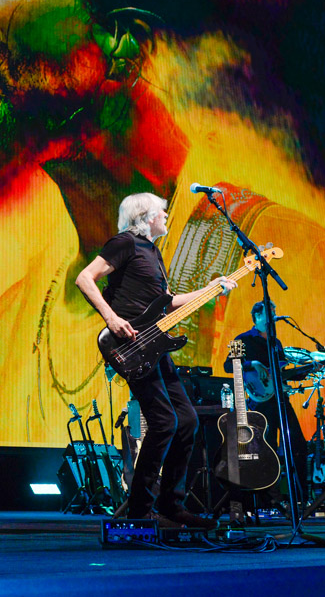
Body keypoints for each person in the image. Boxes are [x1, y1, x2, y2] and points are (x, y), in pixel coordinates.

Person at [76, 192, 235, 529]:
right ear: (145, 215)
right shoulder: (125, 243)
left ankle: (172, 506)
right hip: (130, 344)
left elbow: (169, 302)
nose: (166, 215)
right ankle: (139, 510)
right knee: (164, 422)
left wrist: (212, 289)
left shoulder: (152, 252)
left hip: (155, 346)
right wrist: (111, 318)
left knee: (188, 421)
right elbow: (84, 278)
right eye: (162, 211)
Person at [223, 300, 309, 505]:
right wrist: (252, 363)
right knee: (266, 448)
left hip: (280, 399)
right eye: (270, 312)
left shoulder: (275, 342)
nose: (274, 315)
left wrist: (302, 372)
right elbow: (228, 365)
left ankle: (301, 498)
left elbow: (279, 372)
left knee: (297, 444)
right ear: (257, 316)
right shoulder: (243, 339)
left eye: (275, 311)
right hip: (259, 402)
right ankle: (268, 499)